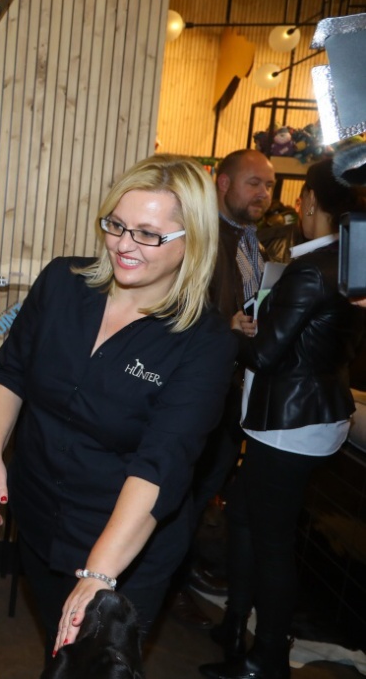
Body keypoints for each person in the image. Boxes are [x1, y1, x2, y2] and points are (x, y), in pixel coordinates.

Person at [0, 154, 237, 666]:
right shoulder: (62, 282)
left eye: (148, 234)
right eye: (116, 225)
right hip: (40, 516)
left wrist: (99, 572)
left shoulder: (205, 342)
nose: (123, 244)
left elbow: (161, 463)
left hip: (127, 545)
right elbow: (12, 370)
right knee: (59, 658)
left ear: (193, 242)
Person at [199, 159, 366, 679]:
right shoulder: (350, 259)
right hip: (311, 415)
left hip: (290, 424)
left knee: (272, 543)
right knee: (244, 516)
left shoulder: (313, 270)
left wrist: (235, 330)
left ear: (309, 201)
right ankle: (236, 624)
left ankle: (267, 657)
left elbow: (266, 355)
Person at [170, 150, 278, 628]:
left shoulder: (253, 241)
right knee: (180, 495)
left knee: (202, 494)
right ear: (223, 182)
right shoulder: (197, 237)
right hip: (195, 389)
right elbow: (172, 308)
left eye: (269, 186)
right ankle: (165, 586)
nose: (264, 194)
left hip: (235, 391)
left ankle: (178, 574)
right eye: (254, 183)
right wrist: (223, 327)